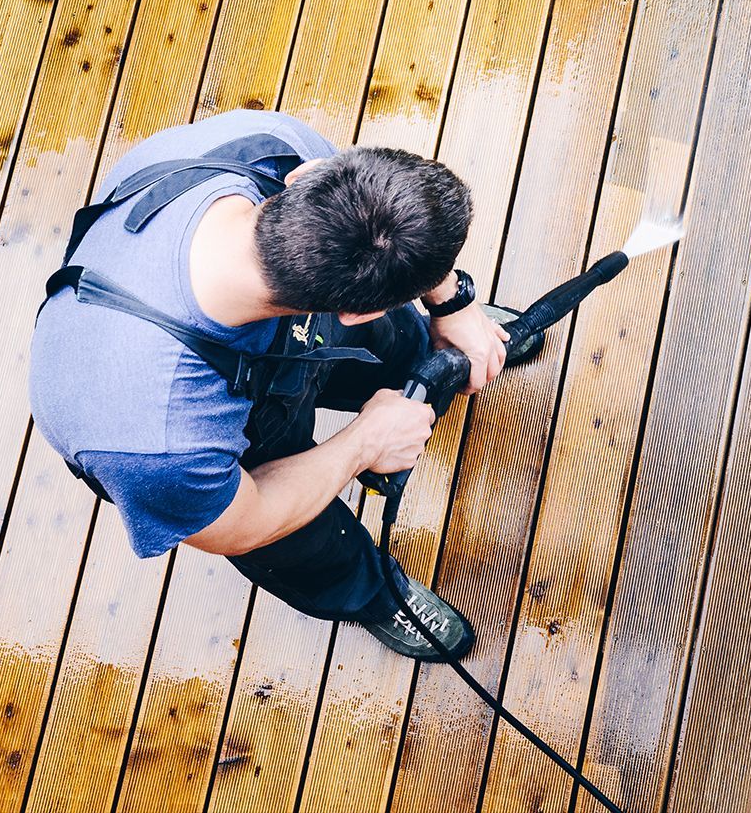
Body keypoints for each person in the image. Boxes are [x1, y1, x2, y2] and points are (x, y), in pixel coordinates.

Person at [29, 107, 517, 661]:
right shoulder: (153, 437)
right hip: (225, 446)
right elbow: (243, 522)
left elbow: (385, 230)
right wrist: (365, 443)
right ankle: (375, 595)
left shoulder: (272, 146)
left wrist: (452, 304)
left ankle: (441, 351)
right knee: (302, 543)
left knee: (404, 342)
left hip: (303, 314)